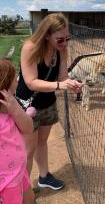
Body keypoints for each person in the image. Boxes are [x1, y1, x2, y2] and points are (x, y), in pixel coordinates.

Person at [16, 12, 82, 190]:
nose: (65, 43)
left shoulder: (61, 49)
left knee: (42, 141)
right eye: (60, 39)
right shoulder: (30, 47)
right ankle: (22, 191)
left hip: (47, 102)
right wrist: (61, 85)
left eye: (67, 38)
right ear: (46, 35)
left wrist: (70, 84)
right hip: (28, 105)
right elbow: (31, 82)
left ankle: (43, 177)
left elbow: (61, 77)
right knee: (28, 150)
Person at [0, 59, 35, 204]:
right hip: (7, 180)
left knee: (30, 198)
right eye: (15, 79)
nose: (18, 81)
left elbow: (28, 128)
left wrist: (17, 110)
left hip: (19, 171)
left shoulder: (12, 108)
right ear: (5, 87)